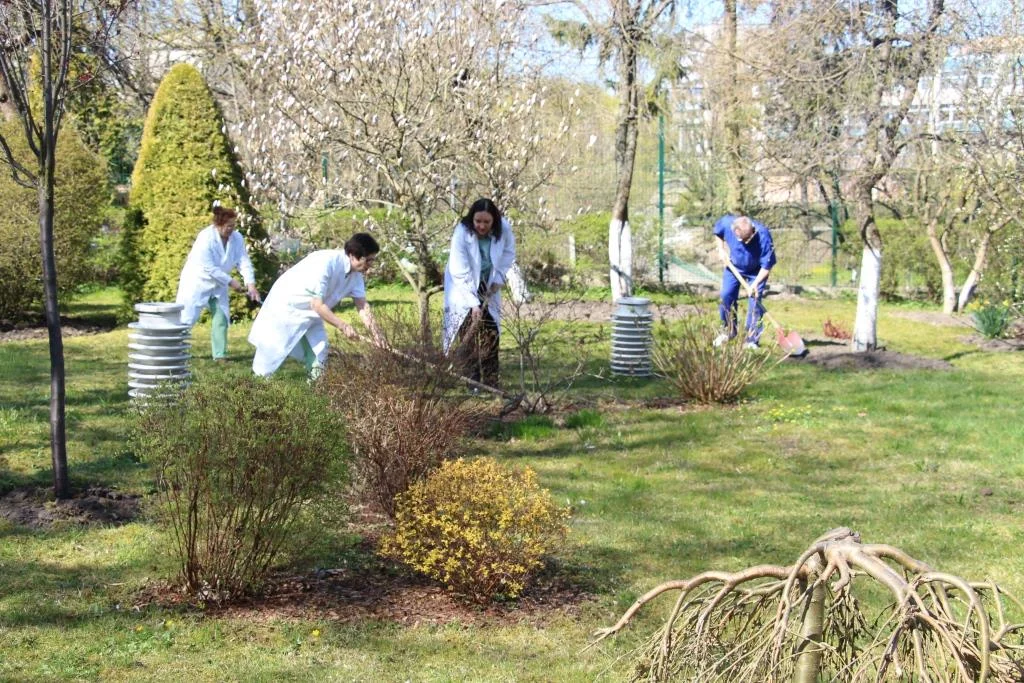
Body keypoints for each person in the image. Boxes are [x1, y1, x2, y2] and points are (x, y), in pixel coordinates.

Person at [248, 233, 384, 378]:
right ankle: (255, 387)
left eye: (372, 260)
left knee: (320, 351)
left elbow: (362, 306)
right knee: (270, 355)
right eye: (368, 260)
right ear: (352, 255)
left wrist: (378, 336)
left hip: (312, 314)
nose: (370, 265)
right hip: (287, 308)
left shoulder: (356, 276)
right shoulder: (326, 262)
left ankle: (315, 389)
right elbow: (317, 305)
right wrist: (343, 326)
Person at [442, 198, 516, 388]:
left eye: (486, 222)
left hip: (488, 282)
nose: (482, 226)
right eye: (478, 221)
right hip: (463, 286)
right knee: (468, 331)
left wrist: (498, 280)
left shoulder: (504, 229)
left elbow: (508, 254)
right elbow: (459, 271)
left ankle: (491, 382)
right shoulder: (462, 233)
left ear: (494, 221)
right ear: (472, 219)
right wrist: (473, 303)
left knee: (490, 331)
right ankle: (472, 382)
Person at [175, 206, 261, 360]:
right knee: (186, 318)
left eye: (233, 226)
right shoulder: (205, 238)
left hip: (218, 285)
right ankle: (174, 350)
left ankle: (220, 355)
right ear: (218, 225)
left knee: (221, 317)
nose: (231, 229)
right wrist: (231, 281)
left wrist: (251, 284)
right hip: (197, 282)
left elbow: (243, 261)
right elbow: (209, 268)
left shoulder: (237, 238)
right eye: (228, 226)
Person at [712, 214, 777, 349]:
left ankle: (752, 339)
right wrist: (721, 249)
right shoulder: (727, 223)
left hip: (757, 271)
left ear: (752, 230)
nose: (744, 242)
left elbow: (767, 266)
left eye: (747, 239)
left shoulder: (763, 235)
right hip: (734, 267)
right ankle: (728, 331)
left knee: (755, 302)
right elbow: (718, 233)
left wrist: (755, 284)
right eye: (741, 239)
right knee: (726, 295)